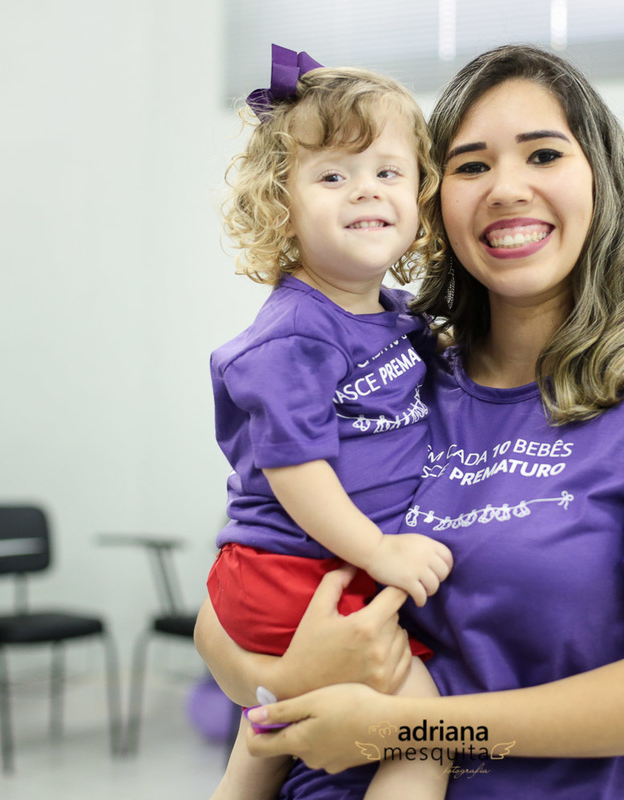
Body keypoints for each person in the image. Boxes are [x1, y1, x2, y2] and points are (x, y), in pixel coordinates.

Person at [196, 44, 624, 799]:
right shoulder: (396, 368)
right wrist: (283, 682)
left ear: (599, 178)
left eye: (542, 154)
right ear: (436, 201)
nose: (507, 188)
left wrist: (409, 731)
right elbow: (227, 600)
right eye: (470, 165)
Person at [207, 45, 453, 800]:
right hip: (291, 569)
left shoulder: (391, 317)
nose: (364, 192)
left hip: (313, 566)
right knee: (425, 732)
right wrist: (377, 549)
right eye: (333, 176)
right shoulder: (294, 335)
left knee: (274, 731)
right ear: (282, 205)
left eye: (387, 172)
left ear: (419, 200)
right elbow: (295, 469)